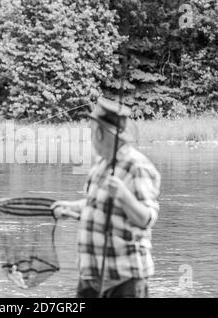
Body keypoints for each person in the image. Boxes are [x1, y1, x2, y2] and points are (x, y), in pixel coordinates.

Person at [51, 96, 161, 298]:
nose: (91, 137)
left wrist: (123, 195)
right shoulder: (100, 166)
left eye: (92, 132)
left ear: (100, 133)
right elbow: (96, 204)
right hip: (91, 279)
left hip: (124, 281)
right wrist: (70, 208)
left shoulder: (137, 166)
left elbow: (146, 219)